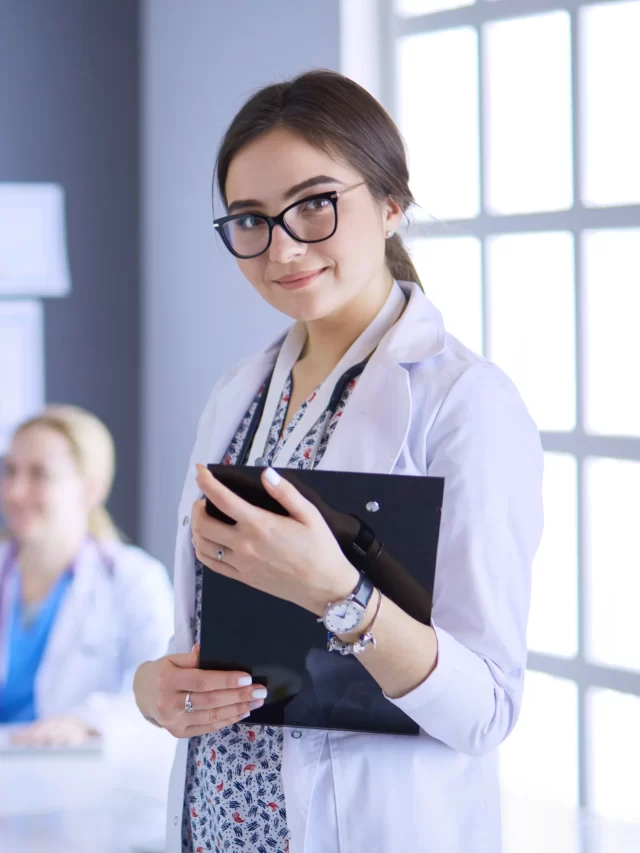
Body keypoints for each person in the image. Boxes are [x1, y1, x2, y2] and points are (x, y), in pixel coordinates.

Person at [133, 70, 544, 853]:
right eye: (250, 219)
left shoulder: (466, 404)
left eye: (315, 205)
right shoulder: (236, 396)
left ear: (391, 204)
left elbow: (486, 707)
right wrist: (154, 690)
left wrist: (339, 594)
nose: (282, 246)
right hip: (214, 826)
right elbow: (197, 634)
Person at [0, 404, 174, 747]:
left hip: (80, 777)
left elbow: (164, 691)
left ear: (90, 489)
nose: (15, 492)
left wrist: (86, 721)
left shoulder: (134, 579)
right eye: (10, 470)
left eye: (40, 474)